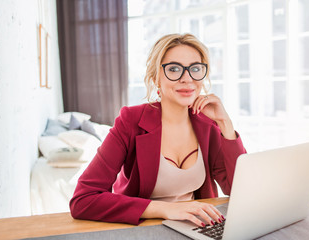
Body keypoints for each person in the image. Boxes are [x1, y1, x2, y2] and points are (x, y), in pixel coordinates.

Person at [70, 33, 246, 227]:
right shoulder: (131, 121)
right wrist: (166, 209)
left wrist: (225, 124)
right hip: (144, 228)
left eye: (195, 69)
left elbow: (237, 188)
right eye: (174, 69)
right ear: (155, 78)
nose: (187, 79)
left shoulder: (208, 123)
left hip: (196, 228)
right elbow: (83, 199)